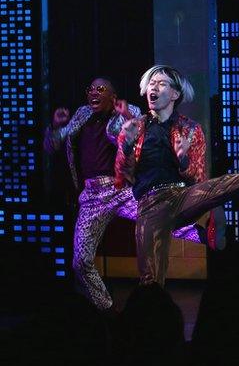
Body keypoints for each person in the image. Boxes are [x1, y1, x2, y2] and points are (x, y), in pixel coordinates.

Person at [115, 65, 239, 285]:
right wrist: (126, 146)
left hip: (181, 196)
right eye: (152, 83)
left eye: (161, 84)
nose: (154, 87)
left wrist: (183, 160)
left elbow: (197, 177)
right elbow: (123, 176)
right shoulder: (135, 127)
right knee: (150, 276)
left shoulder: (190, 129)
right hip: (150, 204)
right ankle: (154, 314)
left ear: (174, 94)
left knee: (218, 186)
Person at [44, 77, 197, 310]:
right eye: (91, 89)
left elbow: (134, 138)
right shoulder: (82, 114)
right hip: (92, 196)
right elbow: (52, 146)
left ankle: (206, 236)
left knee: (163, 218)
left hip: (122, 190)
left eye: (101, 89)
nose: (94, 93)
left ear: (112, 96)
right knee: (80, 262)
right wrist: (56, 127)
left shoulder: (129, 111)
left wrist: (125, 116)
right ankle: (107, 308)